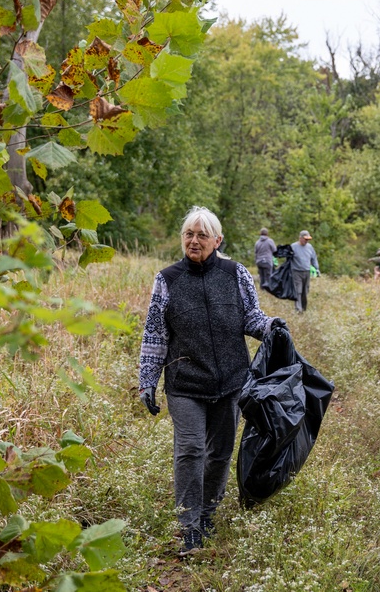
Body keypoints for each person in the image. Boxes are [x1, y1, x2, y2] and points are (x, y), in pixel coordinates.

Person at [137, 206, 286, 556]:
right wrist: (147, 381)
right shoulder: (168, 279)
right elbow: (155, 334)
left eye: (202, 235)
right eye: (189, 234)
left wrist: (272, 328)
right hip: (185, 382)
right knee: (190, 450)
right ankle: (189, 526)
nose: (194, 240)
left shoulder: (236, 273)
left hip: (231, 381)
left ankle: (207, 515)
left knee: (219, 453)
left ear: (218, 240)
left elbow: (251, 316)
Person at [289, 230, 320, 313]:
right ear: (300, 238)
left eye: (308, 239)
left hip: (307, 271)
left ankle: (303, 307)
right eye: (305, 239)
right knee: (298, 290)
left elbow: (314, 258)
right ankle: (298, 309)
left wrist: (317, 269)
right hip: (296, 272)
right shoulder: (293, 246)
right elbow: (288, 260)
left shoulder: (310, 247)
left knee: (305, 291)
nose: (307, 241)